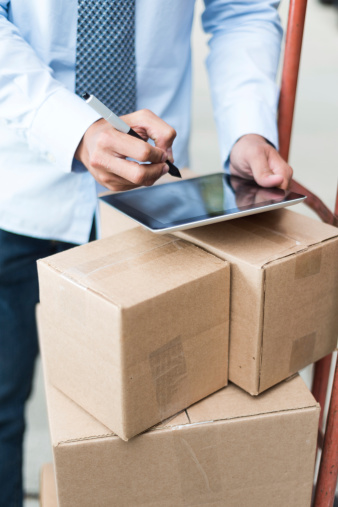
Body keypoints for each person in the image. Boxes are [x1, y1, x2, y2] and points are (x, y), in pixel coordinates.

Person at [0, 1, 293, 505]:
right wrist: (70, 127)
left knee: (152, 421)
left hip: (153, 201)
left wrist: (248, 128)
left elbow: (241, 10)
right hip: (16, 185)